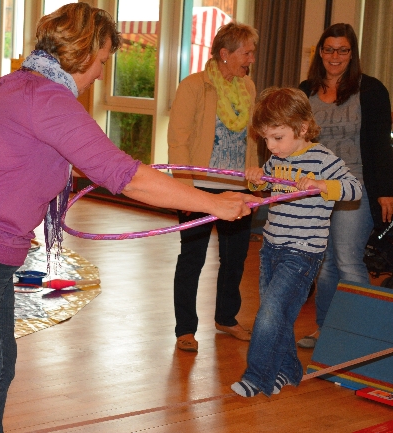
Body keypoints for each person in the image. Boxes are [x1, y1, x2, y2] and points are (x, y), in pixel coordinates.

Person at [0, 4, 260, 432]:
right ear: (83, 52)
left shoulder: (24, 84)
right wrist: (213, 203)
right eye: (103, 60)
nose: (102, 74)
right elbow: (126, 176)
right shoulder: (45, 99)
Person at [232, 87, 362, 398]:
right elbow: (264, 182)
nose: (270, 146)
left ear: (302, 128)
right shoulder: (278, 158)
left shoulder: (323, 159)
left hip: (302, 253)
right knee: (279, 315)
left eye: (277, 137)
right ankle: (289, 369)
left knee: (269, 314)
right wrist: (255, 178)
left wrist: (322, 185)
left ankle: (257, 377)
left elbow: (354, 189)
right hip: (271, 248)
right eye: (265, 139)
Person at [297, 23, 393, 349]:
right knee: (326, 264)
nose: (335, 56)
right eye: (329, 49)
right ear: (320, 52)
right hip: (317, 189)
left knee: (348, 259)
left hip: (357, 186)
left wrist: (386, 191)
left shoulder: (372, 90)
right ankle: (326, 330)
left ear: (352, 54)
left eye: (342, 50)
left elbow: (380, 145)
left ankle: (361, 339)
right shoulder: (306, 90)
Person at [167, 22, 259, 352]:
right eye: (246, 53)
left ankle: (226, 317)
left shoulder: (248, 87)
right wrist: (184, 190)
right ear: (225, 53)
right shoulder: (194, 86)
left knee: (235, 259)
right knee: (192, 259)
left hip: (237, 188)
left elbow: (252, 139)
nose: (251, 59)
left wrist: (253, 181)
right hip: (199, 189)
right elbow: (178, 140)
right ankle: (185, 329)